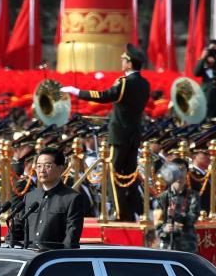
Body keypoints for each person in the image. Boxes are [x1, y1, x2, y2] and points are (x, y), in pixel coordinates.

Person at [61, 44, 150, 221]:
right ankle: (134, 211)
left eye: (124, 60)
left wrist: (77, 92)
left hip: (120, 135)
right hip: (134, 135)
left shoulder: (125, 82)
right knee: (130, 173)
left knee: (112, 172)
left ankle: (119, 211)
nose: (121, 62)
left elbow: (104, 96)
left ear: (130, 63)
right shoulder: (144, 83)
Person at [22, 147, 84, 250]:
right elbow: (18, 229)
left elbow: (71, 238)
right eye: (39, 166)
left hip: (54, 257)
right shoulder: (30, 197)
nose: (42, 170)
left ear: (60, 168)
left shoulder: (72, 198)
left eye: (47, 166)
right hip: (28, 255)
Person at [154, 160, 199, 252]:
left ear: (187, 172)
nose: (180, 174)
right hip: (167, 246)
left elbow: (192, 218)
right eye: (177, 170)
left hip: (187, 245)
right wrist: (164, 229)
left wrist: (175, 215)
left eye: (183, 170)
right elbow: (157, 223)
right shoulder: (163, 197)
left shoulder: (193, 195)